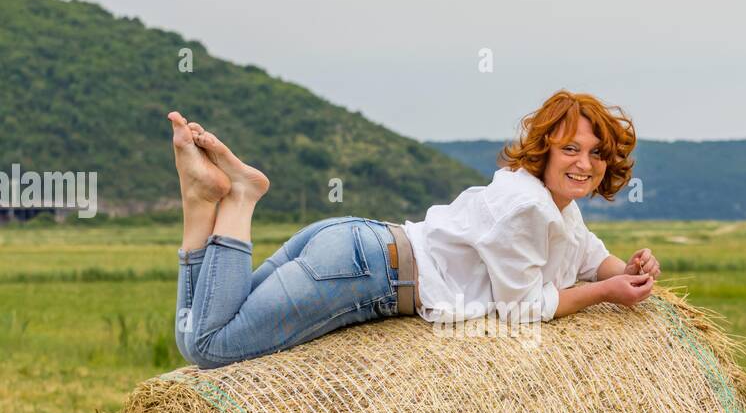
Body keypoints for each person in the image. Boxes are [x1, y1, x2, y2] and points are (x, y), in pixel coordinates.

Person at [171, 88, 660, 370]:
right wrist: (606, 294)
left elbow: (584, 252)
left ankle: (198, 204)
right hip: (364, 275)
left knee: (199, 329)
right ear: (546, 149)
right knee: (211, 347)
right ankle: (239, 196)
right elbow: (525, 307)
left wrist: (626, 268)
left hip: (354, 245)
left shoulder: (544, 199)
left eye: (597, 153)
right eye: (570, 149)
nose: (585, 163)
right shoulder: (527, 208)